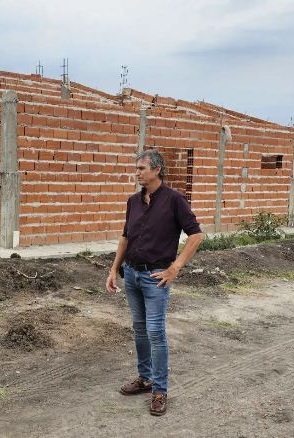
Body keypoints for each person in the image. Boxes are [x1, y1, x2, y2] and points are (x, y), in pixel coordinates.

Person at [106, 149, 204, 416]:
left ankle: (160, 390)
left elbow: (196, 235)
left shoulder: (175, 201)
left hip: (155, 279)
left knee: (155, 333)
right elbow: (125, 238)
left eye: (141, 168)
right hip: (132, 275)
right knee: (139, 329)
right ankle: (145, 378)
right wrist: (114, 269)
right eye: (136, 168)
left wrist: (175, 268)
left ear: (157, 170)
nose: (137, 173)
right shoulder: (133, 201)